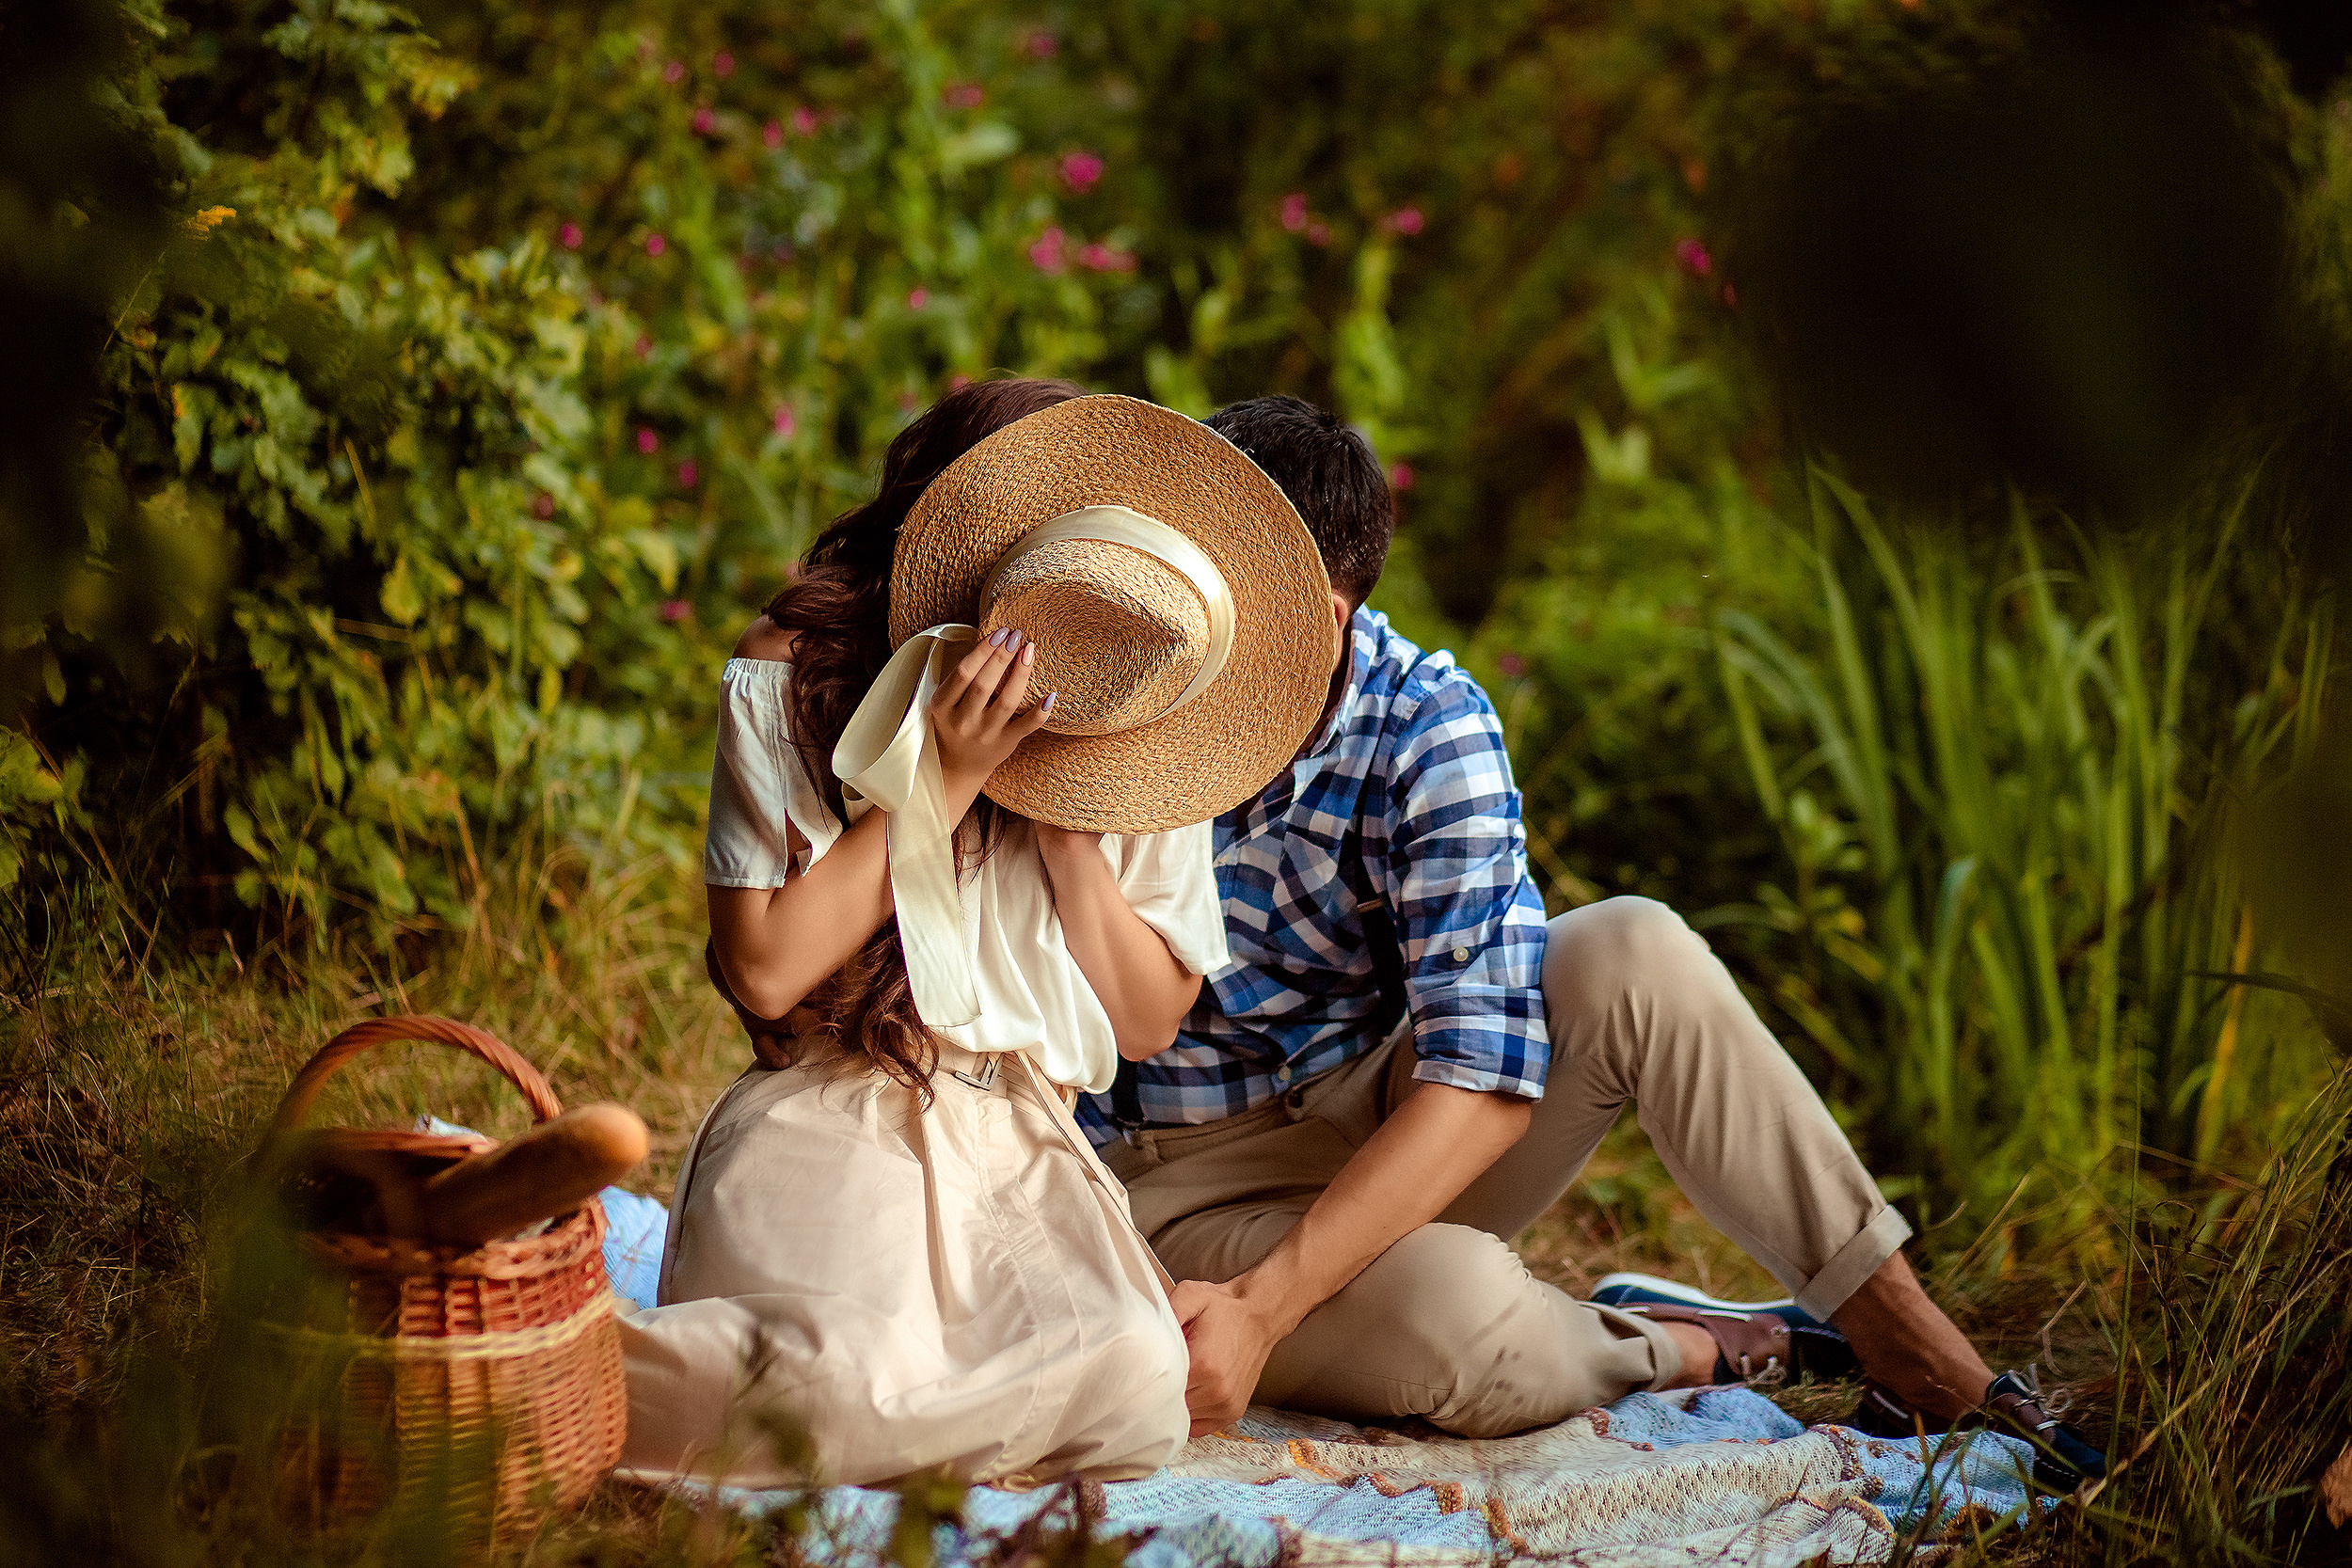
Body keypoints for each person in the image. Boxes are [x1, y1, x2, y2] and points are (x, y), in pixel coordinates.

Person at [1081, 394, 2104, 1489]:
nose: (1185, 612)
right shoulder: (1117, 687)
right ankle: (1690, 1342)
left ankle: (1911, 1344)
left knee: (1633, 947)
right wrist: (1240, 1296)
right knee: (1457, 1315)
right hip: (1175, 1184)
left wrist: (1270, 1303)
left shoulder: (1424, 721)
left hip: (1390, 1117)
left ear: (1322, 617)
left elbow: (1478, 1073)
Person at [616, 382, 1342, 1489]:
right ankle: (549, 1376)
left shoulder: (1150, 721)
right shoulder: (794, 666)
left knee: (1136, 1382)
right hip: (837, 1095)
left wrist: (1069, 833)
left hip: (1020, 1131)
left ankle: (908, 1414)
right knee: (845, 1385)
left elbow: (1146, 1018)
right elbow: (764, 971)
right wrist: (940, 780)